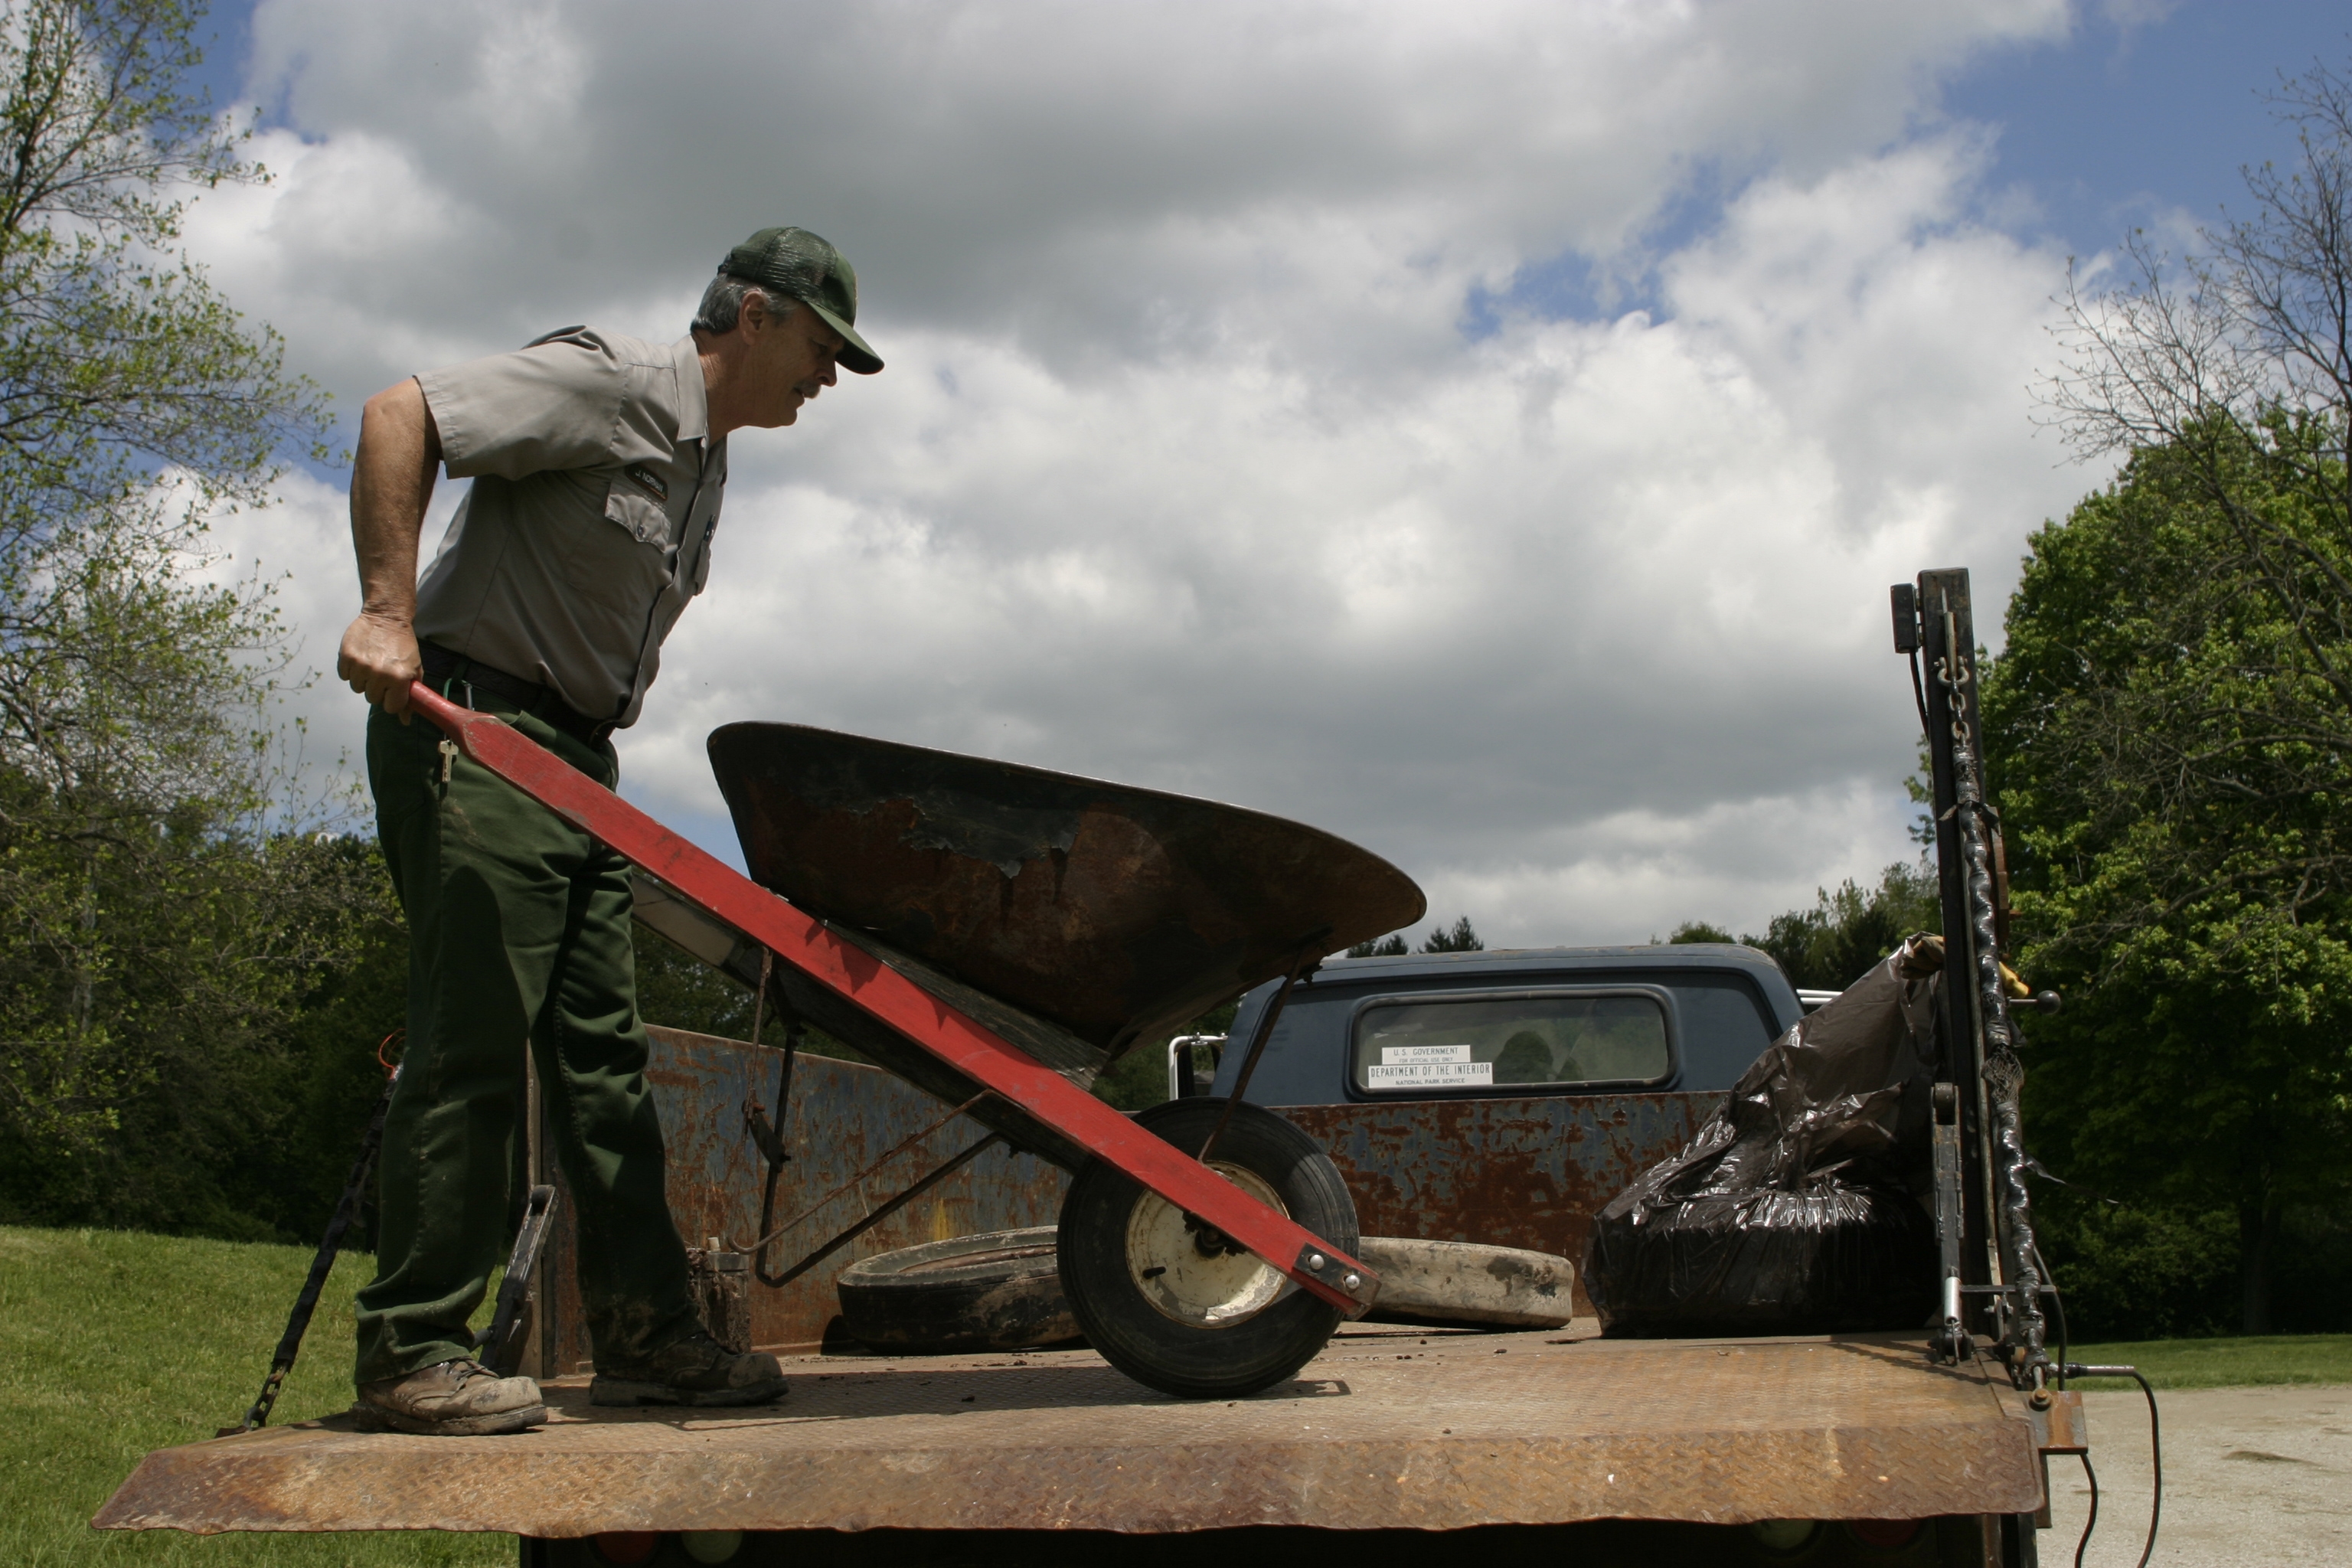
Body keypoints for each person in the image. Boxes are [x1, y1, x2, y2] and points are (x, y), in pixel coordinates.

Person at [333, 227, 882, 1436]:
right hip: (474, 730)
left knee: (603, 1062)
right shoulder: (613, 383)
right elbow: (399, 413)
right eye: (821, 346)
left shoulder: (708, 465)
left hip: (577, 764)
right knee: (474, 1039)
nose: (827, 377)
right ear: (754, 314)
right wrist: (385, 610)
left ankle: (645, 1335)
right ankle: (413, 1349)